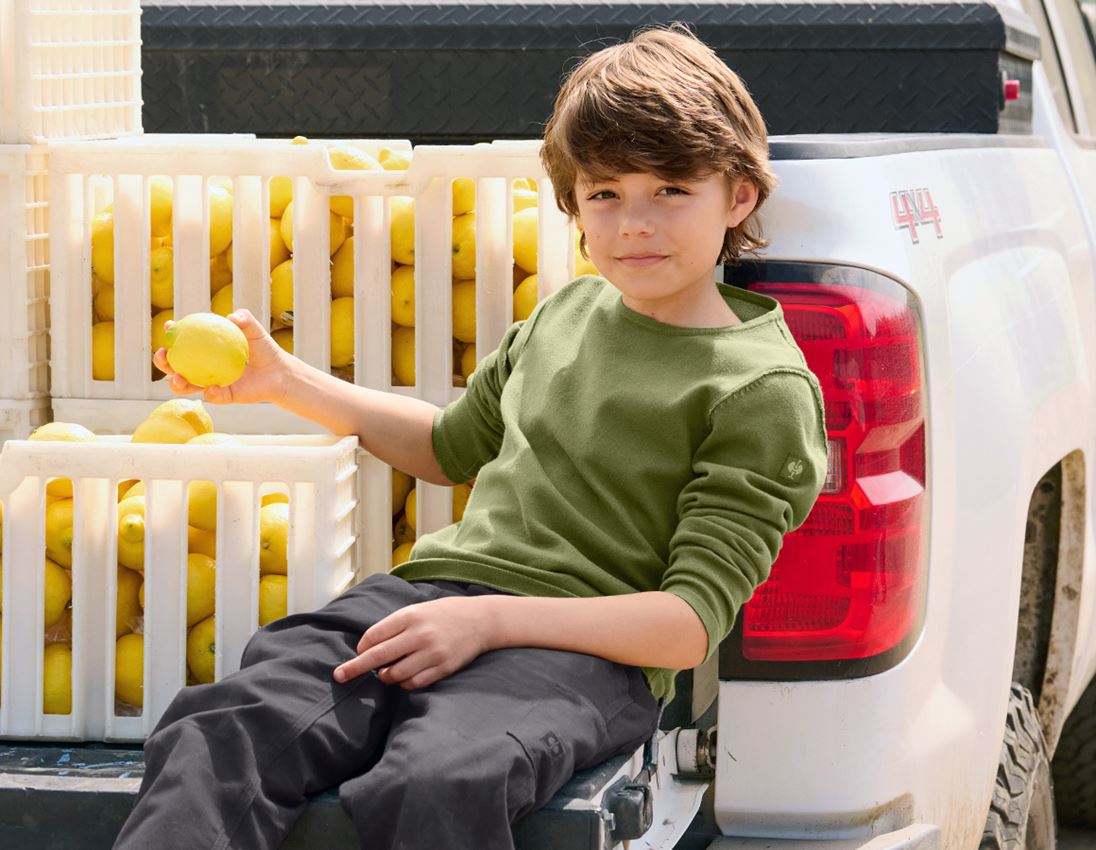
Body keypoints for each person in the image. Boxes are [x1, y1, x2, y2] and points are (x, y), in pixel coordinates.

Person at [114, 22, 828, 850]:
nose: (635, 222)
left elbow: (685, 624)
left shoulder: (760, 389)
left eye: (669, 190)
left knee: (437, 783)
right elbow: (448, 448)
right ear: (574, 205)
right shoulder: (565, 312)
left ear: (738, 196)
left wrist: (491, 625)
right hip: (430, 599)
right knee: (223, 725)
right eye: (604, 194)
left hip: (579, 650)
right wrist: (285, 382)